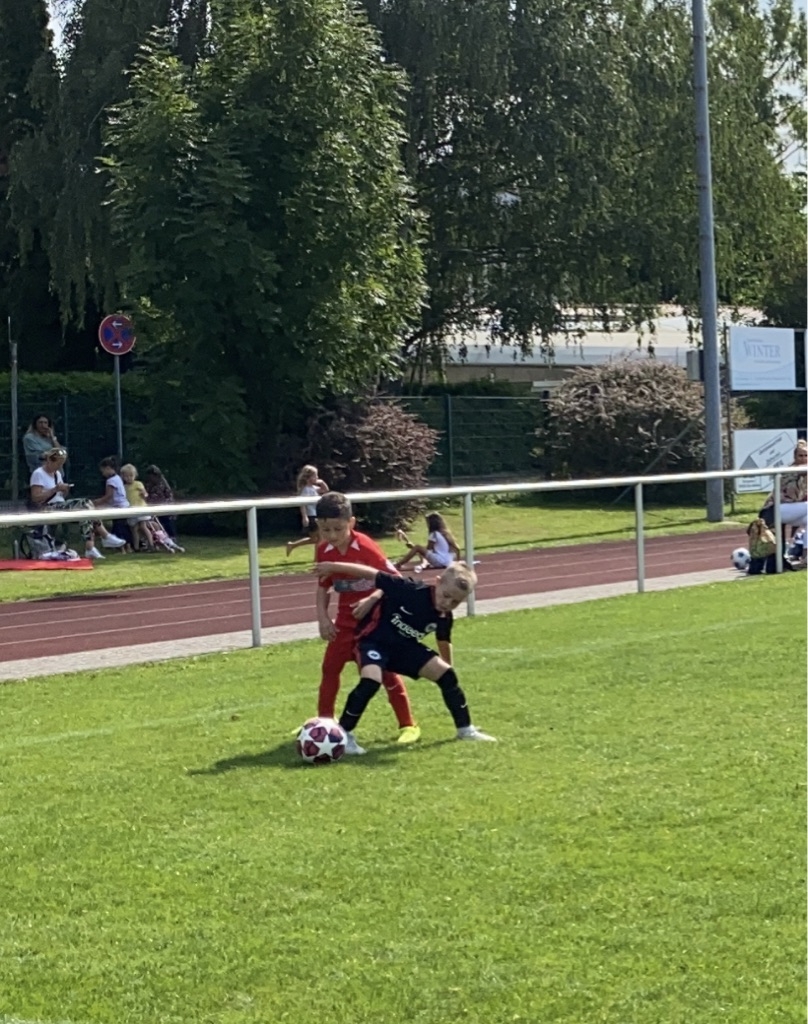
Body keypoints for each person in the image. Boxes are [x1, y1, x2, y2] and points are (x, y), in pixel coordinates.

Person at [312, 559, 496, 754]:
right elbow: (372, 573)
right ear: (438, 581)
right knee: (371, 680)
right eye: (446, 596)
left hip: (404, 649)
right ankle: (344, 734)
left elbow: (443, 640)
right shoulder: (410, 590)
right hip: (374, 642)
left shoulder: (444, 615)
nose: (447, 603)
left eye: (455, 602)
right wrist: (334, 567)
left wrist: (448, 669)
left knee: (447, 676)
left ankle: (465, 730)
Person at [312, 491, 420, 744]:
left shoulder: (367, 547)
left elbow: (395, 582)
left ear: (351, 522)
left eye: (338, 529)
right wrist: (323, 619)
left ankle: (408, 725)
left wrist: (372, 598)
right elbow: (323, 587)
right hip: (344, 623)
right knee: (329, 668)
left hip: (374, 625)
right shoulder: (323, 550)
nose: (332, 535)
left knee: (385, 672)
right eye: (325, 530)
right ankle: (325, 722)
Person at [28, 448, 126, 559]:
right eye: (58, 464)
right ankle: (104, 537)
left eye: (61, 464)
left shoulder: (57, 474)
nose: (59, 467)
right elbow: (35, 498)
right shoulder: (38, 474)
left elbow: (60, 496)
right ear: (49, 461)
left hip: (60, 504)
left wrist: (64, 490)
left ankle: (91, 547)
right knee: (85, 503)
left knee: (87, 508)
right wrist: (55, 489)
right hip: (47, 508)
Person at [760, 439, 807, 532]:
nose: (803, 458)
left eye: (806, 456)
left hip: (792, 509)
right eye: (800, 456)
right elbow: (794, 496)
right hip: (775, 509)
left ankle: (803, 541)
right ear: (795, 457)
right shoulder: (790, 471)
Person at [395, 512, 461, 571]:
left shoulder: (434, 534)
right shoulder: (446, 533)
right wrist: (458, 563)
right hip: (448, 562)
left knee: (417, 547)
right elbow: (457, 549)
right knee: (418, 548)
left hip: (440, 561)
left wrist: (413, 547)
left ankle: (398, 564)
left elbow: (428, 549)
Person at [286, 465, 328, 556]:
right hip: (311, 516)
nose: (317, 477)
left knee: (314, 539)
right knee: (320, 538)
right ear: (308, 478)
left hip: (316, 514)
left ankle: (292, 545)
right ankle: (317, 558)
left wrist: (321, 482)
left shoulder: (314, 488)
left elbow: (325, 490)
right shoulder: (305, 490)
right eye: (315, 476)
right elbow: (302, 504)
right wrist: (305, 517)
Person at [92, 456, 132, 549]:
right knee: (122, 527)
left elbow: (109, 496)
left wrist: (97, 502)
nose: (103, 474)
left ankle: (122, 547)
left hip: (119, 507)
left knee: (119, 528)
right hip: (124, 505)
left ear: (108, 468)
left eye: (103, 471)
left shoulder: (110, 481)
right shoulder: (118, 478)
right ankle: (127, 546)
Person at [120, 463, 156, 551]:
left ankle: (151, 544)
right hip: (131, 509)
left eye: (131, 476)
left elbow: (145, 494)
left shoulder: (138, 484)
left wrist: (144, 494)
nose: (129, 478)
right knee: (134, 529)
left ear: (135, 475)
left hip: (141, 508)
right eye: (126, 476)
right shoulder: (124, 487)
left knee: (143, 526)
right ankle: (136, 547)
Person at [143, 464, 178, 540]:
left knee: (167, 522)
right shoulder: (149, 484)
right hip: (153, 507)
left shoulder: (162, 483)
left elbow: (168, 495)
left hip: (164, 507)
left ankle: (172, 537)